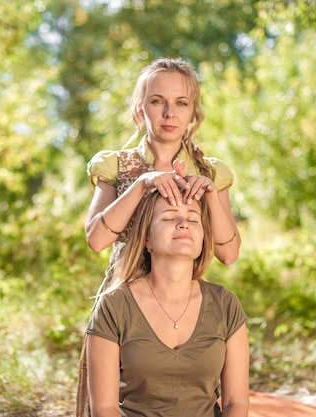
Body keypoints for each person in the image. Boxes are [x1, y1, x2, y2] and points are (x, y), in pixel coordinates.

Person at [77, 57, 242, 417]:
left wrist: (211, 194)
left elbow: (228, 253)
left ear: (193, 112)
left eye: (181, 103)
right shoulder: (117, 166)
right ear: (141, 108)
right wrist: (141, 185)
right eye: (157, 101)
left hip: (181, 292)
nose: (169, 112)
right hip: (124, 303)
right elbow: (96, 239)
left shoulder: (210, 171)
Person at [86, 190, 250, 417]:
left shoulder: (225, 304)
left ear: (203, 237)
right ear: (147, 239)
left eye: (193, 219)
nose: (184, 224)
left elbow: (236, 403)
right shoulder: (114, 305)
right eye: (169, 217)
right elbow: (104, 410)